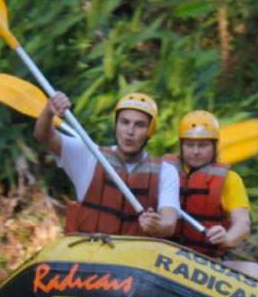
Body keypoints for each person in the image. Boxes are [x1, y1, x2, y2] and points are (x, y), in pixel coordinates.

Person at [34, 90, 180, 237]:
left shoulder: (165, 172)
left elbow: (169, 224)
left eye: (139, 125)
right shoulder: (89, 155)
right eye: (124, 122)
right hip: (88, 248)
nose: (130, 131)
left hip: (133, 250)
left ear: (150, 131)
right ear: (116, 125)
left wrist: (156, 225)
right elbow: (44, 136)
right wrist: (49, 111)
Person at [162, 110, 258, 279]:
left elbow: (242, 223)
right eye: (189, 145)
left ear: (214, 146)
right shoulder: (165, 171)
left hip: (207, 261)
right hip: (164, 256)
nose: (195, 151)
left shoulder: (230, 180)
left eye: (203, 145)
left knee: (255, 271)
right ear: (181, 146)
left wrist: (228, 238)